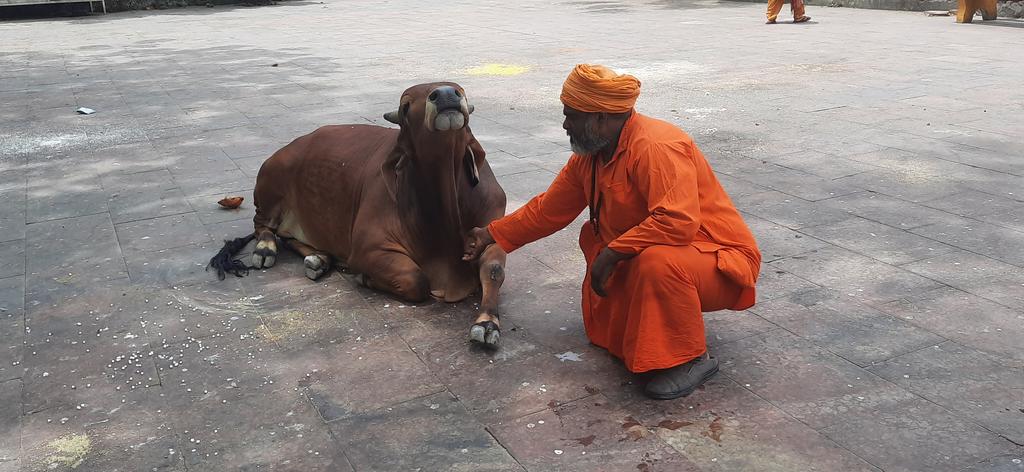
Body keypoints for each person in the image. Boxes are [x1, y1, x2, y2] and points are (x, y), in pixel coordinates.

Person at [462, 64, 762, 400]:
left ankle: (690, 358)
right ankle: (649, 336)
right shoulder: (593, 155)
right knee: (602, 239)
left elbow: (677, 222)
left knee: (656, 262)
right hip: (665, 251)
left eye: (570, 115)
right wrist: (491, 233)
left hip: (717, 259)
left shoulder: (656, 146)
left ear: (600, 118)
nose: (564, 124)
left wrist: (614, 252)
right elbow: (549, 209)